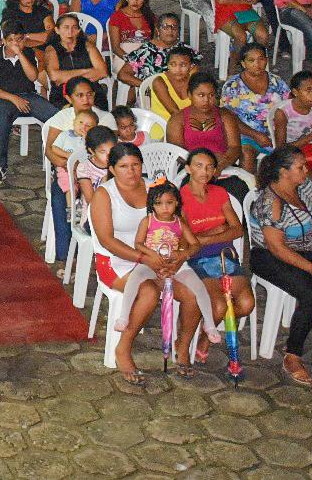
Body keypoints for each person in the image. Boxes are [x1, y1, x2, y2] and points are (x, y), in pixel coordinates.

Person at [91, 143, 203, 384]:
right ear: (112, 168)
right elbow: (107, 241)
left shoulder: (155, 188)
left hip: (157, 257)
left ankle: (181, 348)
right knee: (149, 291)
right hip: (116, 261)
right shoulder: (104, 194)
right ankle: (123, 348)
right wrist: (144, 258)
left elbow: (176, 223)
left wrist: (177, 255)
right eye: (123, 166)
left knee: (193, 293)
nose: (130, 171)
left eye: (135, 165)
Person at [112, 179, 221, 343]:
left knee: (199, 287)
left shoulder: (179, 222)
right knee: (134, 278)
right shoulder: (148, 221)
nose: (164, 207)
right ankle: (124, 316)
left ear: (176, 203)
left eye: (169, 203)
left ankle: (210, 325)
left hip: (176, 264)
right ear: (152, 205)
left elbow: (195, 244)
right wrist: (152, 255)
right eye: (159, 203)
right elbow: (138, 244)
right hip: (150, 263)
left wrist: (182, 255)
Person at [248, 147, 312, 383]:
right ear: (283, 171)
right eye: (300, 167)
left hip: (309, 249)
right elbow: (277, 248)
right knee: (310, 296)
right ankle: (293, 355)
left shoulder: (303, 187)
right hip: (271, 257)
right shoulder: (270, 202)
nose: (306, 170)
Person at [180, 148, 255, 364]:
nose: (205, 171)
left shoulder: (220, 193)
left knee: (247, 304)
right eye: (198, 166)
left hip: (226, 256)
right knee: (220, 305)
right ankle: (201, 338)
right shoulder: (180, 197)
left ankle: (205, 332)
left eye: (210, 167)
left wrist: (202, 237)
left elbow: (237, 230)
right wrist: (217, 231)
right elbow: (186, 241)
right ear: (188, 168)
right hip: (197, 259)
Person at [0, 21, 60, 185]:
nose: (15, 44)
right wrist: (13, 98)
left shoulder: (28, 53)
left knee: (56, 118)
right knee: (2, 120)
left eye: (19, 39)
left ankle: (59, 162)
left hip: (27, 96)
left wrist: (21, 55)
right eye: (11, 40)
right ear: (4, 40)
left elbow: (33, 77)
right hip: (4, 98)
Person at [221, 43, 288, 168]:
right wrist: (256, 135)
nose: (257, 64)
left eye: (261, 59)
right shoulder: (233, 86)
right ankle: (248, 186)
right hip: (245, 134)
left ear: (266, 60)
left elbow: (289, 106)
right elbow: (228, 117)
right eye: (251, 60)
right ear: (243, 63)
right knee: (246, 153)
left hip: (277, 134)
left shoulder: (276, 81)